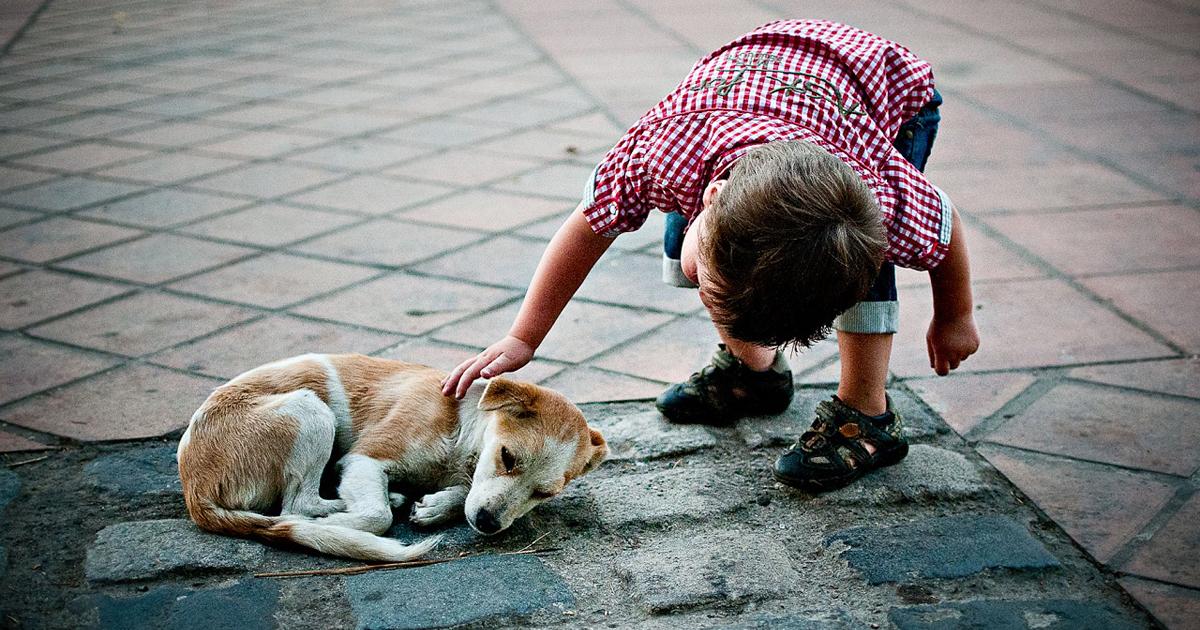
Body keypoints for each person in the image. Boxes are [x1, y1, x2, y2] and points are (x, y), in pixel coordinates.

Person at [442, 20, 979, 492]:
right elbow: (586, 229)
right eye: (712, 294)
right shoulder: (657, 155)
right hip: (762, 84)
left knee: (856, 261)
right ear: (711, 197)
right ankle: (755, 376)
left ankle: (868, 415)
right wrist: (524, 336)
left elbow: (945, 222)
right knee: (684, 249)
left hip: (891, 99)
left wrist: (955, 316)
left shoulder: (880, 194)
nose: (708, 302)